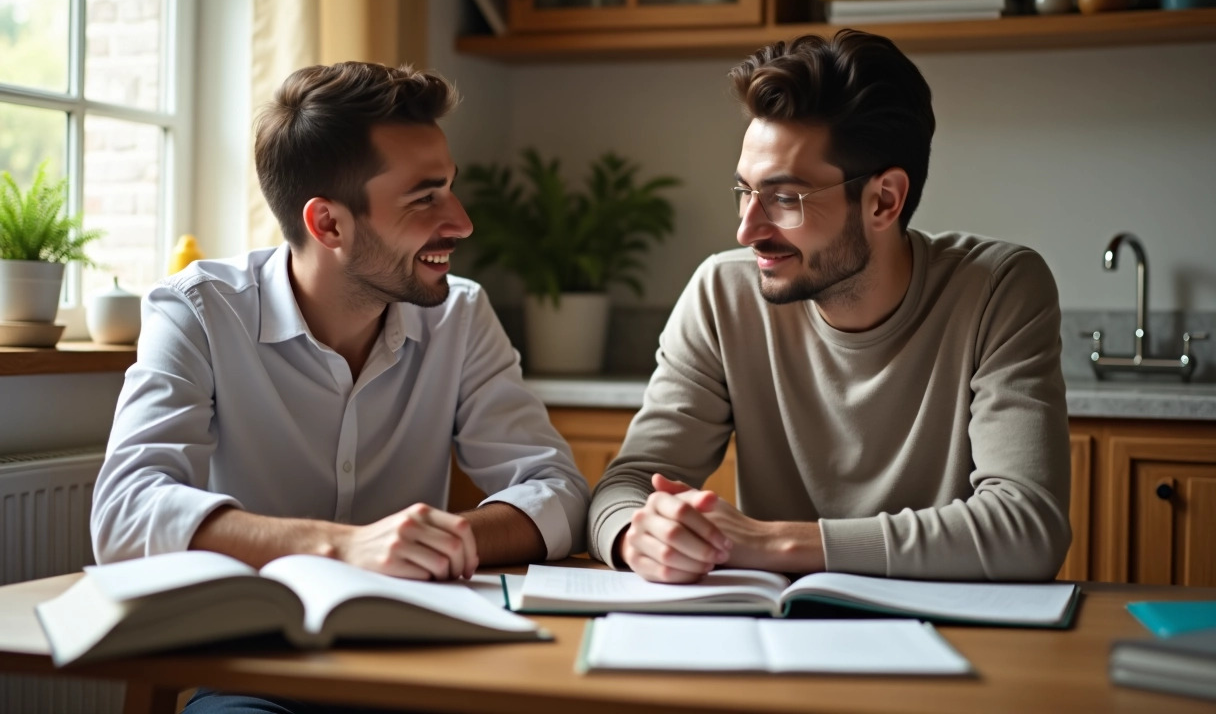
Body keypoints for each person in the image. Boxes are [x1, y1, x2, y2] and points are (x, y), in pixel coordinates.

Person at [587, 30, 1071, 584]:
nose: (747, 229)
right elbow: (628, 485)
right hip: (774, 637)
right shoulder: (723, 294)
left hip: (952, 641)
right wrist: (637, 536)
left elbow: (1029, 528)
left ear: (883, 200)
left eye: (785, 198)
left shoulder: (999, 289)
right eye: (745, 190)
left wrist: (775, 543)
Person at [93, 60, 589, 584]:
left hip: (408, 637)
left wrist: (431, 543)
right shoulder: (198, 312)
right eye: (425, 197)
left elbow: (558, 491)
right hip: (242, 644)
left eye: (449, 188)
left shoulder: (459, 317)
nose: (462, 222)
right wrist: (343, 548)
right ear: (328, 223)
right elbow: (125, 513)